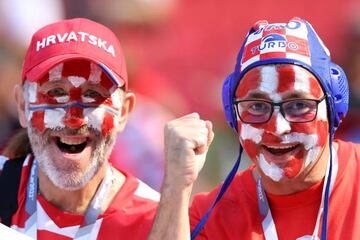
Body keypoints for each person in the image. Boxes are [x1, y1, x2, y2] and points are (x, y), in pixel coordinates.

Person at [149, 17, 360, 239]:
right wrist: (176, 185)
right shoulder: (211, 216)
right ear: (233, 115)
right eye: (258, 106)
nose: (278, 128)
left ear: (334, 107)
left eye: (298, 105)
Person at [0, 18, 160, 239]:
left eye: (94, 93)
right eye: (55, 92)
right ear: (21, 105)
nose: (73, 119)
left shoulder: (154, 220)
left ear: (124, 112)